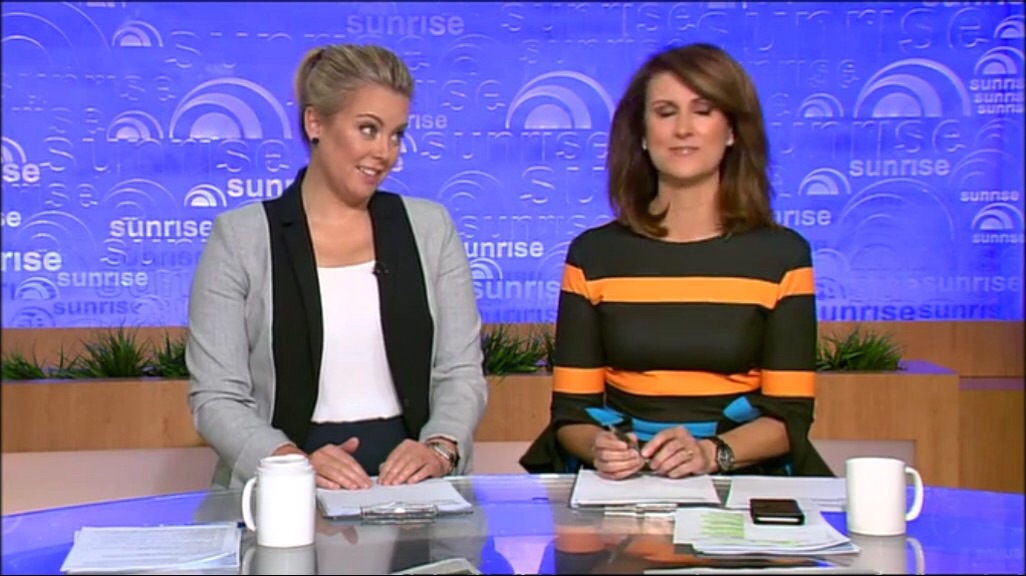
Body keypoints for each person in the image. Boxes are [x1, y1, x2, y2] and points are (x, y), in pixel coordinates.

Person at [520, 43, 832, 479]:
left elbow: (789, 416)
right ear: (642, 134)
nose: (683, 129)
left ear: (732, 130)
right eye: (666, 112)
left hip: (740, 478)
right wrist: (600, 448)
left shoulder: (782, 256)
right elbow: (572, 415)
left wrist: (710, 453)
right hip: (625, 484)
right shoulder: (593, 255)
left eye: (703, 111)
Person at [187, 44, 488, 491]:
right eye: (368, 129)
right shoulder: (241, 237)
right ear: (315, 123)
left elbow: (460, 372)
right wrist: (290, 464)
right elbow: (216, 397)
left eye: (396, 135)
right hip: (286, 484)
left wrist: (439, 448)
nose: (385, 152)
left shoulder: (430, 228)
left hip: (412, 485)